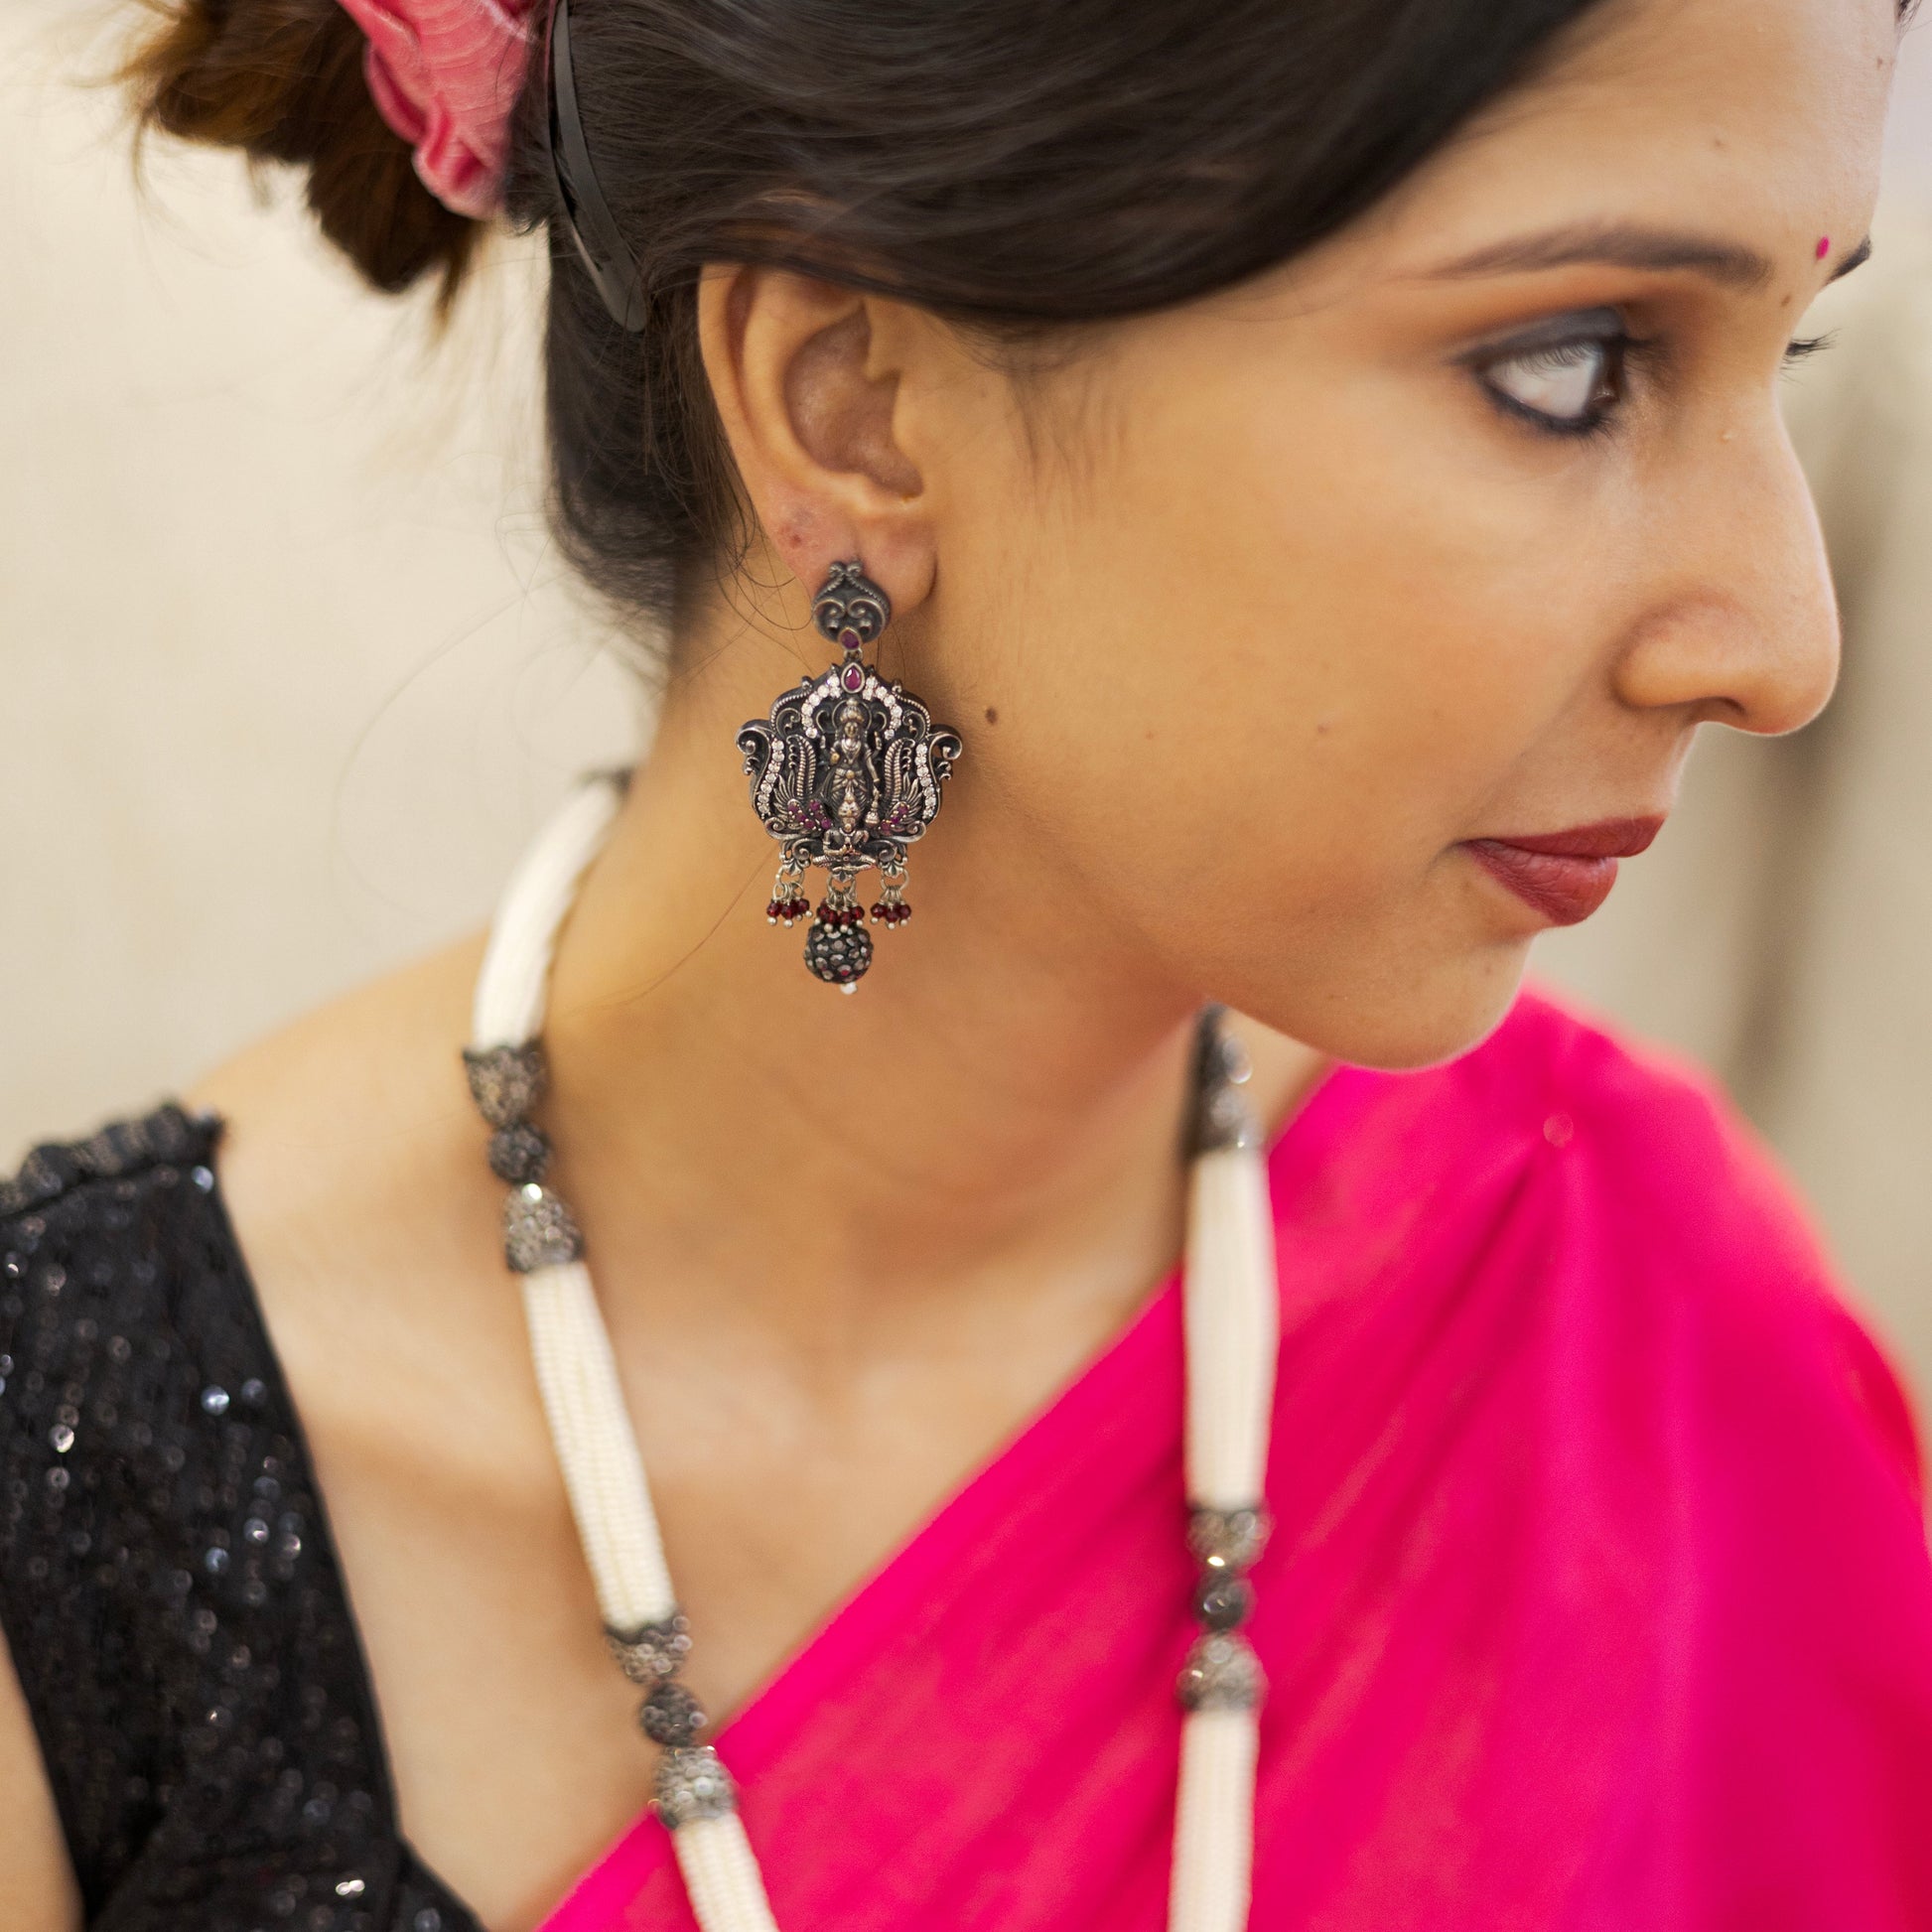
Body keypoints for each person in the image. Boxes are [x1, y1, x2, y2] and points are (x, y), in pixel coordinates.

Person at [4, 0, 1931, 1927]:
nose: (1780, 643)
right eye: (1573, 365)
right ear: (852, 401)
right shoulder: (85, 1522)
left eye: (1792, 345)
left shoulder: (1651, 1344)